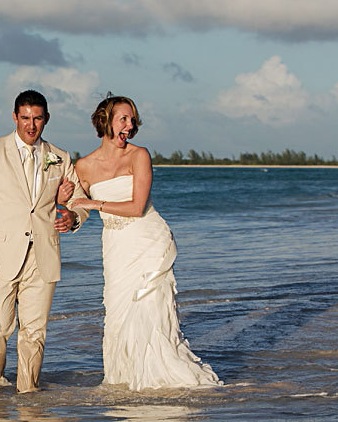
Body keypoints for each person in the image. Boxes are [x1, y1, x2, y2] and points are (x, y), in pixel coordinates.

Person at [62, 94, 221, 390]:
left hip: (147, 240)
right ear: (105, 121)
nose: (130, 126)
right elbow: (77, 207)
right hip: (115, 245)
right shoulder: (83, 166)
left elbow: (137, 207)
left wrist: (94, 203)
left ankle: (159, 376)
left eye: (133, 120)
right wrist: (67, 207)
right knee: (118, 310)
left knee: (150, 309)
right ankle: (124, 379)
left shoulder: (139, 156)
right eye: (123, 119)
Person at [0, 90, 90, 393]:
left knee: (34, 332)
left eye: (37, 119)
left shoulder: (59, 157)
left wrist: (73, 217)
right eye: (25, 118)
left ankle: (28, 394)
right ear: (15, 117)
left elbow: (80, 199)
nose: (31, 125)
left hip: (43, 254)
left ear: (46, 119)